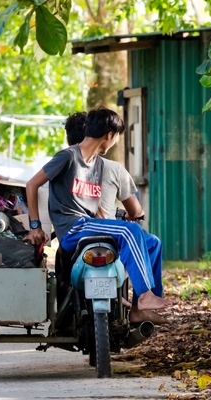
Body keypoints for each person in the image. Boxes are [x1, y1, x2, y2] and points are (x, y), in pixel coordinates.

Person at [24, 107, 170, 319]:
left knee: (152, 243)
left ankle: (140, 310)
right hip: (74, 229)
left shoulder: (96, 164)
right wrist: (35, 226)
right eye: (115, 137)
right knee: (130, 231)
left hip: (89, 225)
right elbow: (32, 184)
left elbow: (94, 204)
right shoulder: (68, 157)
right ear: (109, 135)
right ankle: (146, 295)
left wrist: (111, 219)